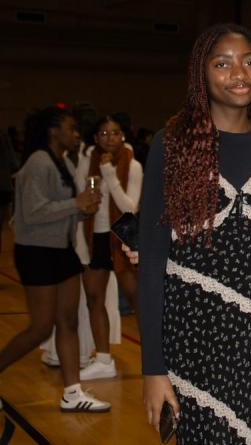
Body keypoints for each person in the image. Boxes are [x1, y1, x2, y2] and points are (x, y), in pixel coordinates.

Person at [137, 23, 251, 443]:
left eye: (249, 62)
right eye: (222, 64)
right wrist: (153, 367)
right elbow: (151, 260)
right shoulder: (171, 143)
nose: (239, 74)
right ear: (201, 74)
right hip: (192, 333)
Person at [0, 106, 110, 412]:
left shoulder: (62, 161)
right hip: (37, 253)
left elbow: (59, 209)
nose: (75, 134)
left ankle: (72, 392)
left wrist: (81, 209)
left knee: (69, 321)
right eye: (71, 129)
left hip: (63, 251)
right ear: (53, 131)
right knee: (40, 328)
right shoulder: (38, 162)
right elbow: (33, 212)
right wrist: (75, 203)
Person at [74, 115, 143, 380]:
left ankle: (154, 359)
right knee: (94, 297)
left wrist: (109, 174)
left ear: (123, 136)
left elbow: (129, 207)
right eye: (103, 133)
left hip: (123, 237)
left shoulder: (133, 165)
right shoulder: (86, 162)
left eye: (115, 133)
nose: (109, 138)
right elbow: (81, 199)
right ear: (95, 138)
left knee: (137, 300)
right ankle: (103, 359)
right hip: (95, 237)